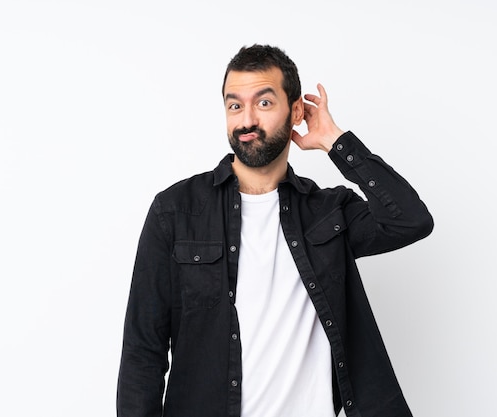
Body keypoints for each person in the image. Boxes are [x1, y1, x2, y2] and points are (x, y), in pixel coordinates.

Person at [117, 44, 434, 417]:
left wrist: (336, 142)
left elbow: (410, 220)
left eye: (264, 103)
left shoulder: (328, 211)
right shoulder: (175, 211)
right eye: (235, 105)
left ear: (296, 110)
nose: (247, 120)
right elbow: (143, 350)